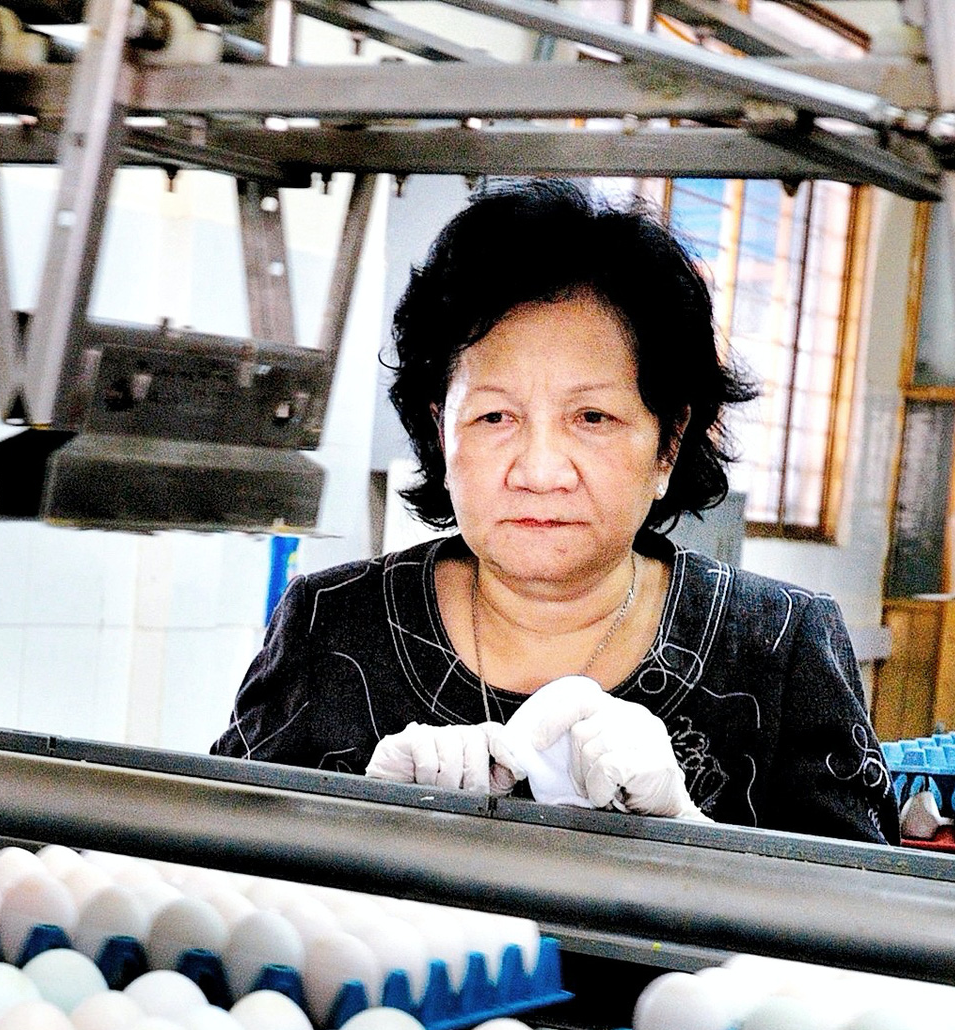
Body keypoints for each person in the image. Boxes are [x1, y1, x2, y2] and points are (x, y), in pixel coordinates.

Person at [213, 179, 895, 844]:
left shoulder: (779, 647)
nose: (539, 471)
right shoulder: (330, 624)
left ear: (669, 442)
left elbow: (873, 933)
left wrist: (691, 832)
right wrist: (356, 820)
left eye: (592, 416)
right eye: (494, 416)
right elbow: (210, 886)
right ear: (439, 430)